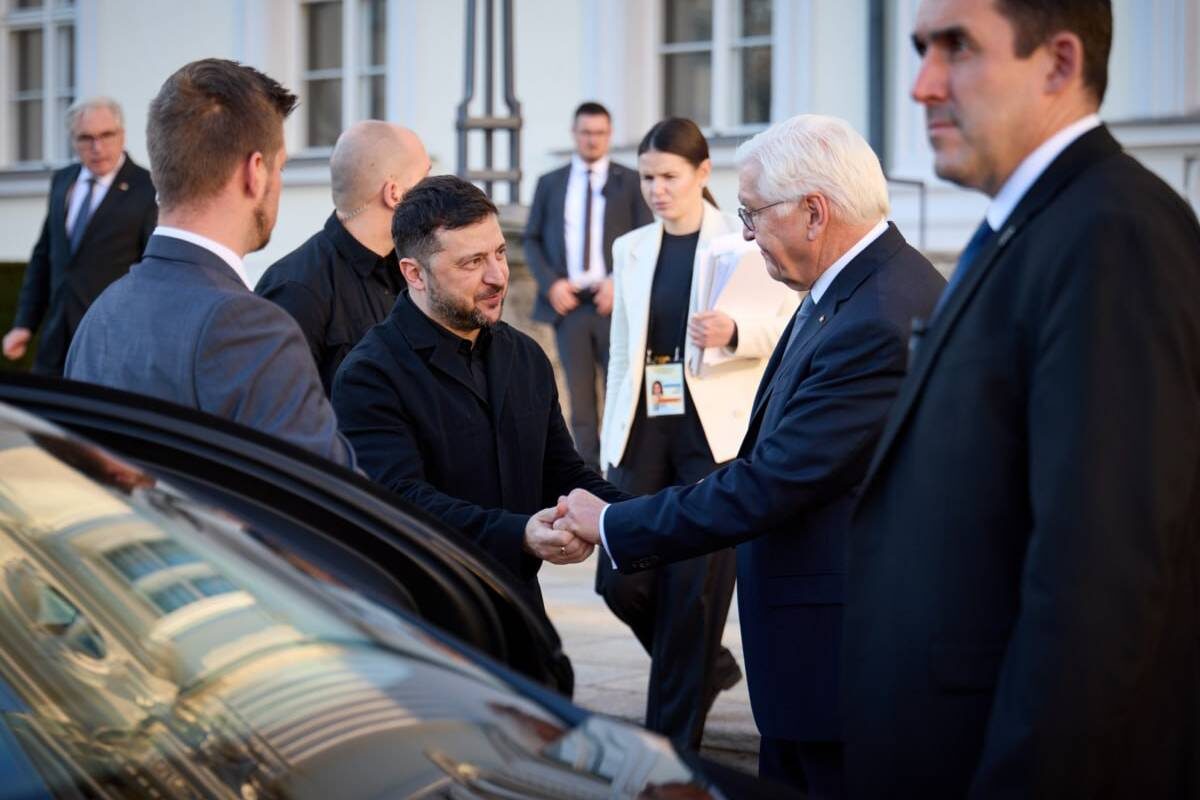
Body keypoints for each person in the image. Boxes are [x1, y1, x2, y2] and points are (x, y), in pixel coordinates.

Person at [841, 1, 1200, 797]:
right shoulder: (1029, 226)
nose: (923, 85)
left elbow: (1098, 587)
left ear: (1059, 63)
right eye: (921, 49)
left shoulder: (1113, 233)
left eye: (958, 48)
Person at [555, 114, 944, 796]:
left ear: (814, 212)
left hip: (840, 668)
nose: (744, 232)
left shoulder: (877, 315)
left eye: (754, 213)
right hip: (817, 662)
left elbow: (773, 481)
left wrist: (614, 523)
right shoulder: (852, 287)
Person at [331, 175, 622, 613]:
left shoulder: (524, 356)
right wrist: (521, 534)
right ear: (414, 274)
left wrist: (638, 518)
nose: (497, 276)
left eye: (500, 253)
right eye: (472, 263)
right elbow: (403, 504)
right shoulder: (369, 375)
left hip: (519, 610)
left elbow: (561, 472)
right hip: (424, 618)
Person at [597, 117, 796, 750]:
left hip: (714, 436)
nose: (656, 190)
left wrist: (735, 333)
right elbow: (623, 350)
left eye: (669, 177)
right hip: (643, 430)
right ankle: (708, 665)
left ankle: (668, 755)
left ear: (703, 173)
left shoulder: (743, 243)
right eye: (647, 178)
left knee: (693, 599)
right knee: (618, 580)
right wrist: (609, 442)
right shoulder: (630, 247)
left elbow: (789, 328)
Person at [65, 59, 354, 469]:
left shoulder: (103, 313)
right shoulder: (249, 327)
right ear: (256, 172)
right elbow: (327, 493)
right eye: (281, 167)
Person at [256, 121, 431, 394]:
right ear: (394, 194)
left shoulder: (414, 268)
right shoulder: (296, 289)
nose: (433, 193)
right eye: (426, 180)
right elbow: (278, 405)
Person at [524, 102, 653, 469]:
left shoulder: (631, 181)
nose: (592, 140)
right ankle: (589, 474)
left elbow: (646, 239)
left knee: (622, 391)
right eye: (585, 132)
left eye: (599, 133)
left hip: (612, 303)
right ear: (574, 133)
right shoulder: (550, 182)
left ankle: (621, 468)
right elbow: (531, 239)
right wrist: (551, 285)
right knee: (579, 401)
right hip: (569, 306)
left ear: (609, 135)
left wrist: (617, 282)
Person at [3, 98, 156, 376]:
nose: (97, 148)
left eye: (106, 135)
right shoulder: (63, 180)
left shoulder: (148, 188)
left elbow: (151, 270)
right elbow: (44, 256)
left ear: (122, 135)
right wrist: (25, 324)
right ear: (73, 141)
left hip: (110, 345)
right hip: (54, 342)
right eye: (86, 138)